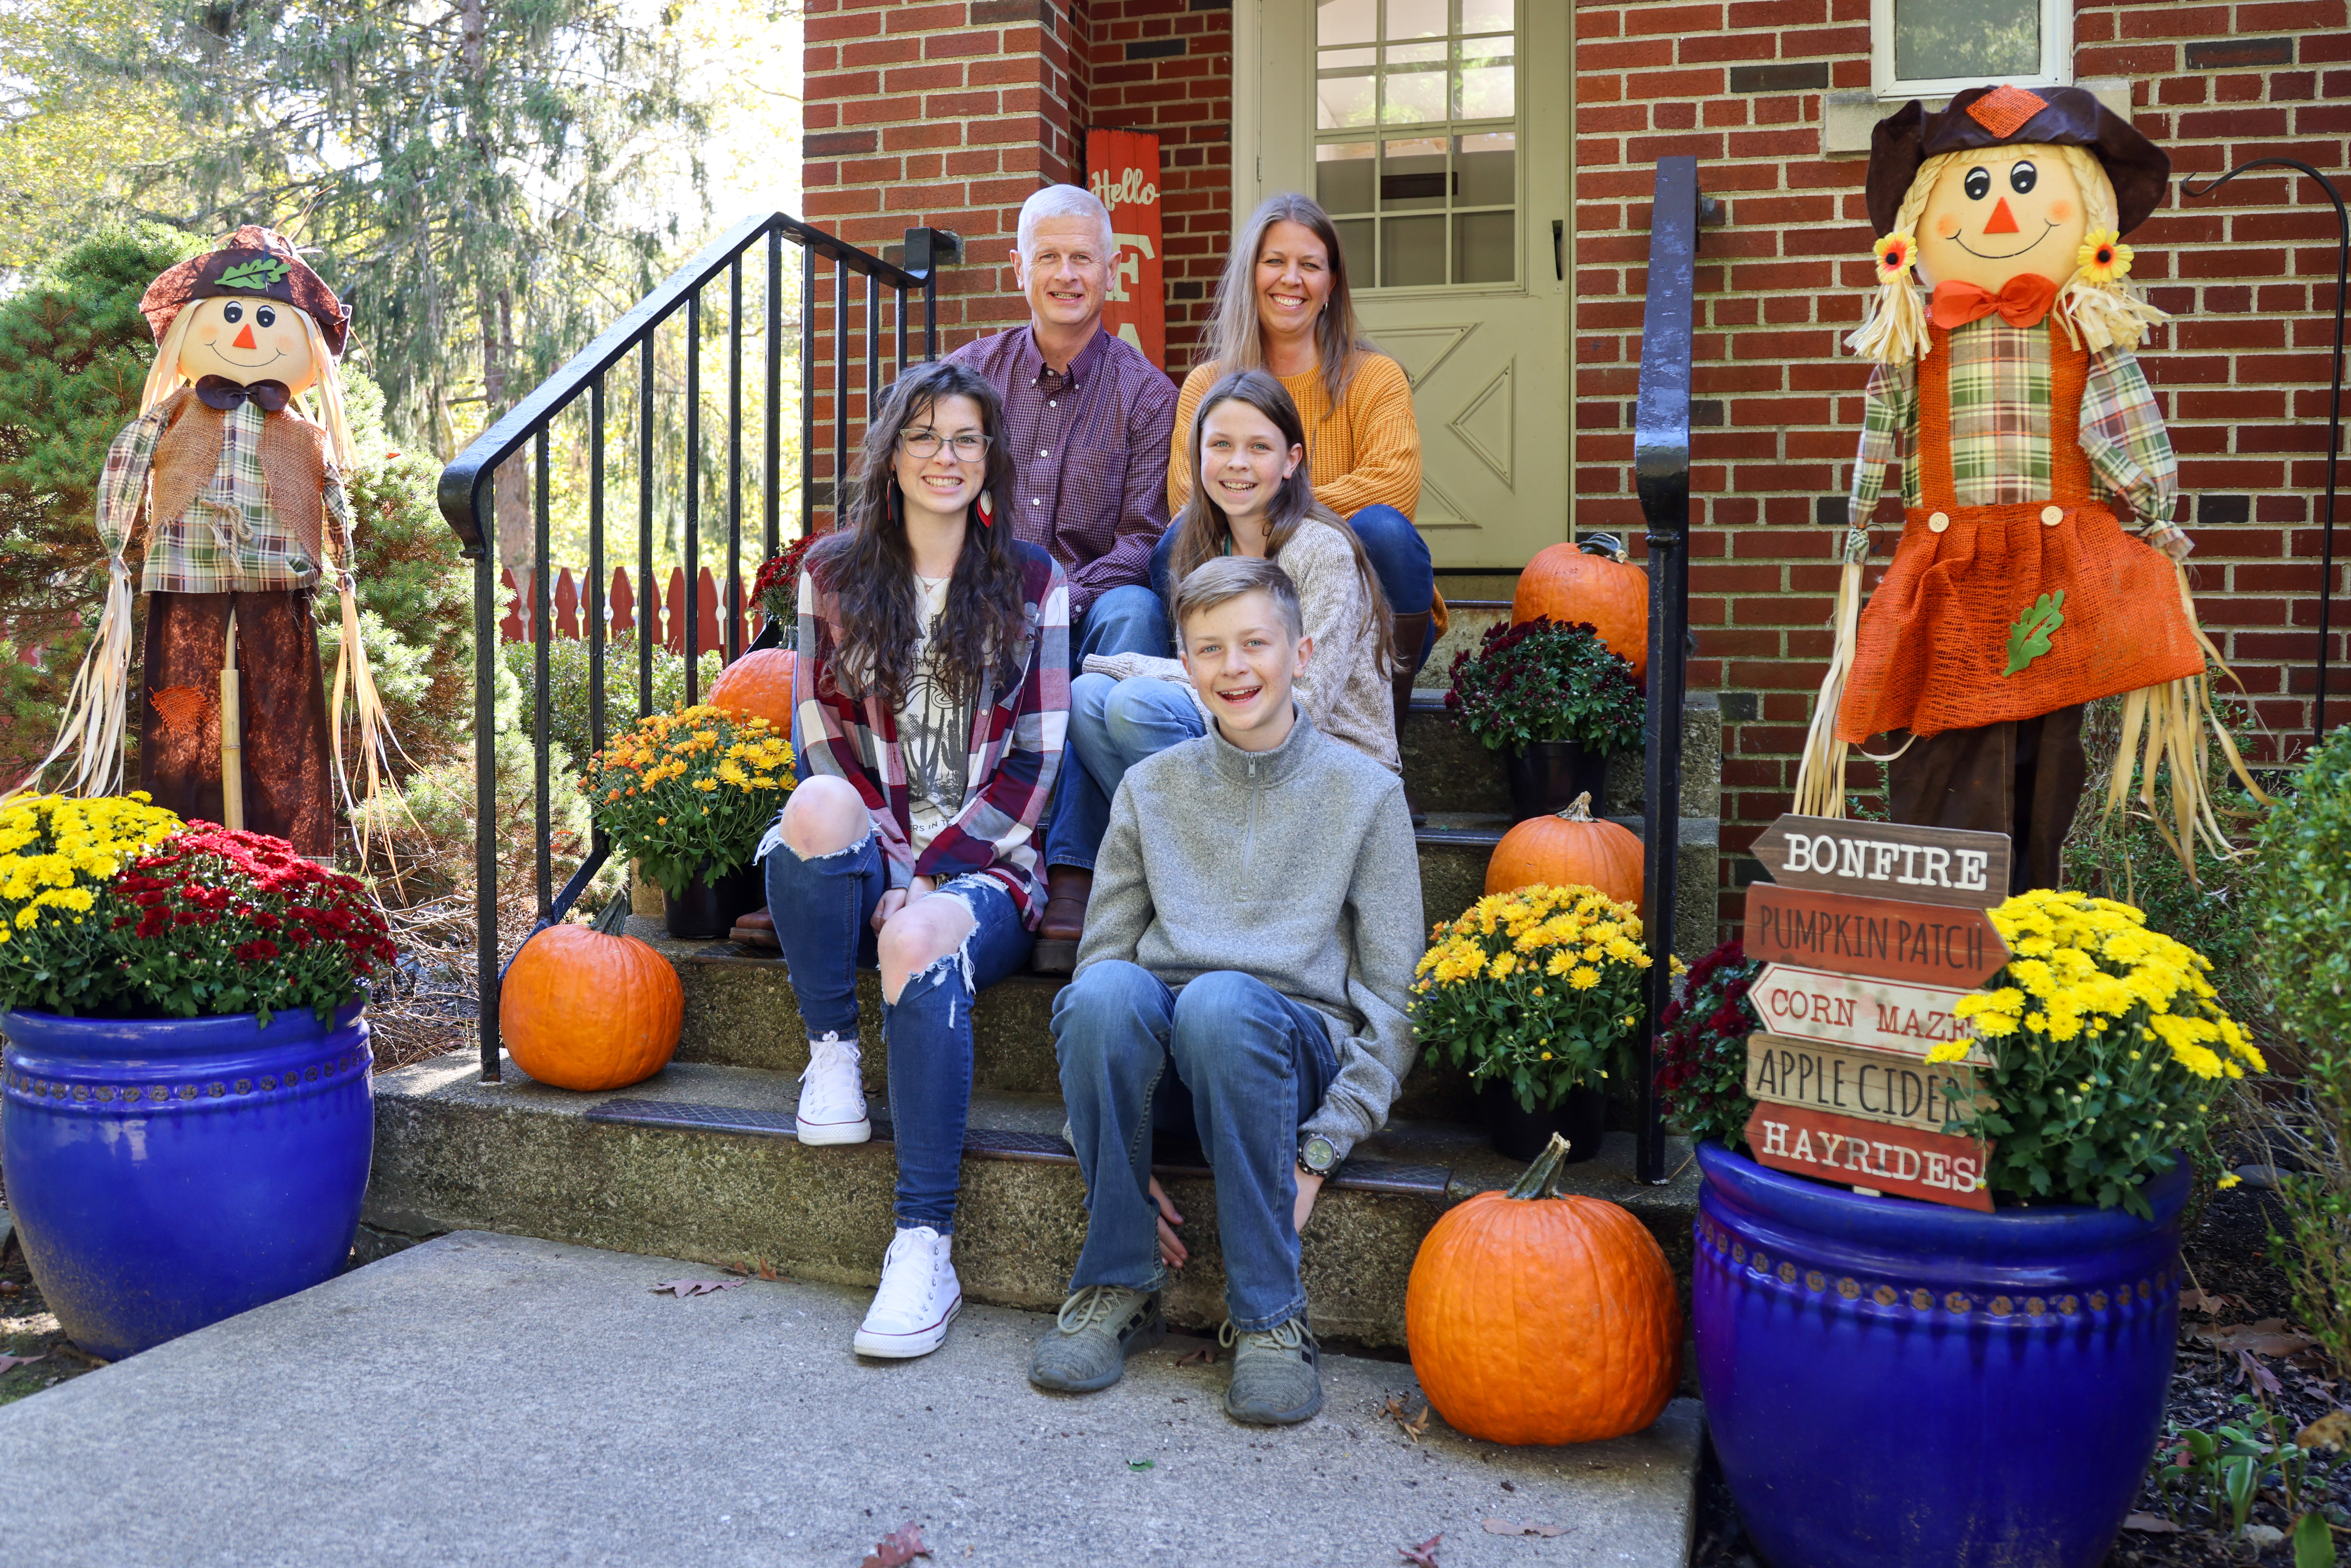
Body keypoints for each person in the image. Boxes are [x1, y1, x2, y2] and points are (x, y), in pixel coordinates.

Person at [1030, 556, 1421, 1426]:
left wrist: (1321, 1149)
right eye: (1210, 649)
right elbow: (1100, 969)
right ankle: (1118, 1282)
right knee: (1103, 997)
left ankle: (1271, 1316)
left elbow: (1396, 1007)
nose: (1235, 668)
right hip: (1167, 1066)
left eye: (1255, 644)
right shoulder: (1149, 788)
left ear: (1303, 653)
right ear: (1185, 662)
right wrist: (1107, 1160)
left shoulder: (1366, 796)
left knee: (1222, 1002)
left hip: (1286, 1059)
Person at [757, 358, 1069, 1361]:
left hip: (990, 871)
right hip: (872, 859)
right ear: (893, 454)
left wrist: (930, 875)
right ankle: (834, 1054)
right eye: (926, 436)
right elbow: (823, 735)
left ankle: (924, 1244)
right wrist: (892, 868)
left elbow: (1039, 761)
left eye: (967, 438)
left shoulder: (1033, 584)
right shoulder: (834, 576)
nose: (946, 456)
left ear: (991, 460)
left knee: (927, 933)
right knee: (811, 808)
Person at [947, 184, 1179, 972]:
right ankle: (892, 836)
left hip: (1091, 598)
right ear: (1019, 268)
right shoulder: (968, 377)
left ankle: (1076, 866)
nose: (1066, 273)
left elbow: (1145, 535)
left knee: (1135, 615)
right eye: (1048, 256)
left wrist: (1055, 598)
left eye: (1083, 257)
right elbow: (927, 490)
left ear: (1111, 272)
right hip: (985, 595)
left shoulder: (1148, 395)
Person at [1068, 370, 1398, 867]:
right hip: (1240, 749)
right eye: (1220, 444)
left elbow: (1302, 707)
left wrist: (1143, 668)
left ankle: (1209, 864)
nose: (1238, 463)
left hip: (1330, 764)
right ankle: (1197, 863)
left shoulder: (1321, 550)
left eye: (1259, 448)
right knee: (1086, 698)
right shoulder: (1196, 550)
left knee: (1137, 702)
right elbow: (1206, 676)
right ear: (1198, 456)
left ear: (1291, 461)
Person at [1155, 193, 1435, 761]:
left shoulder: (1373, 377)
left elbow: (1395, 485)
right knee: (1169, 546)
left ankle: (1382, 750)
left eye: (1311, 265)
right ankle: (1192, 747)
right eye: (1275, 261)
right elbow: (1188, 501)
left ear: (1332, 284)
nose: (1292, 279)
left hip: (1358, 610)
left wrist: (1268, 507)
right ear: (1250, 276)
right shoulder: (1208, 385)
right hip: (1246, 608)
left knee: (1384, 532)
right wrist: (1268, 509)